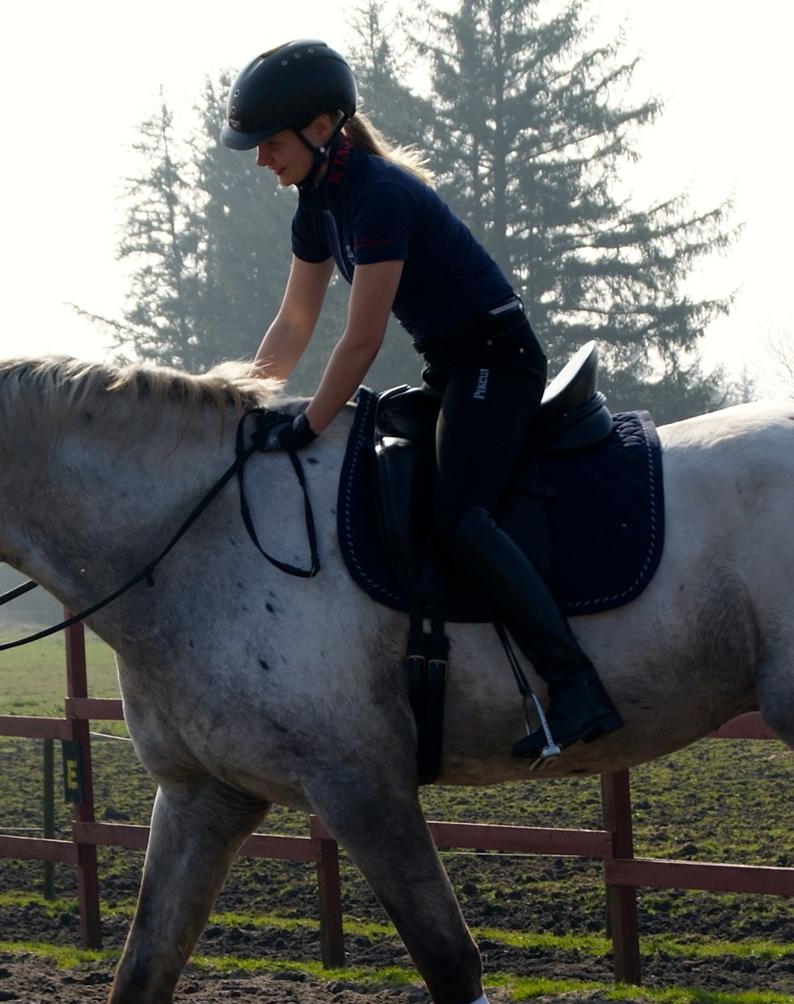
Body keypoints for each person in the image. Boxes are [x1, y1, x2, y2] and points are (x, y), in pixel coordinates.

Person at [220, 38, 623, 761]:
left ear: (321, 128)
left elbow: (361, 339)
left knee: (460, 518)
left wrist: (307, 424)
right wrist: (250, 406)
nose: (260, 161)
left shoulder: (377, 197)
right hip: (453, 366)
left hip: (496, 363)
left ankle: (576, 685)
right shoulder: (318, 206)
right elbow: (294, 323)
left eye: (270, 143)